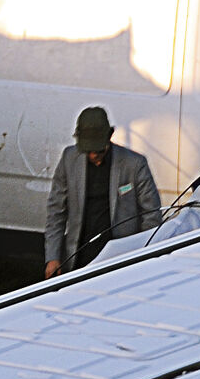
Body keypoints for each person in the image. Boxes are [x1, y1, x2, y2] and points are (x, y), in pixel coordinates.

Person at [44, 107, 157, 275]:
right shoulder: (69, 159)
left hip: (119, 256)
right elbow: (56, 211)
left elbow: (151, 214)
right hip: (78, 256)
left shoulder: (134, 164)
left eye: (98, 150)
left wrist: (141, 253)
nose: (93, 156)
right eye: (87, 150)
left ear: (109, 136)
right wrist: (53, 257)